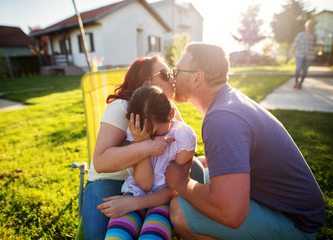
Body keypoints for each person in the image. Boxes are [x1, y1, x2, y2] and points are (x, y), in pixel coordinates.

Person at [165, 42, 326, 240]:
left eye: (178, 71)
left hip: (296, 223)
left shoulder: (222, 120)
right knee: (201, 175)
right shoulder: (228, 100)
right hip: (287, 207)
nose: (173, 76)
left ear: (197, 78)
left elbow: (231, 213)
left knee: (179, 210)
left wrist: (181, 182)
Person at [81, 56, 205, 239]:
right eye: (165, 74)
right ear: (146, 82)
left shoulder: (170, 110)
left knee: (194, 168)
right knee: (99, 236)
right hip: (110, 179)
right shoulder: (121, 108)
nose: (173, 79)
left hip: (156, 184)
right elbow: (100, 163)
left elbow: (179, 156)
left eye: (171, 73)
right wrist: (146, 146)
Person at [103, 85, 197, 239]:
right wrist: (143, 146)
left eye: (154, 133)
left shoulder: (184, 137)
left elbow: (176, 189)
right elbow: (145, 185)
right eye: (146, 133)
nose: (149, 137)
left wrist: (131, 204)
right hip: (135, 191)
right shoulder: (138, 130)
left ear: (171, 114)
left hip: (164, 201)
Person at [288, 19, 317, 89]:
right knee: (298, 68)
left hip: (309, 56)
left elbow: (314, 45)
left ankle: (300, 84)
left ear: (313, 27)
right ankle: (296, 82)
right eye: (309, 25)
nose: (310, 27)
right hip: (299, 55)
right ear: (306, 26)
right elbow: (295, 45)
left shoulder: (314, 35)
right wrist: (290, 54)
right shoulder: (300, 35)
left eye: (311, 25)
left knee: (305, 71)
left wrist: (315, 53)